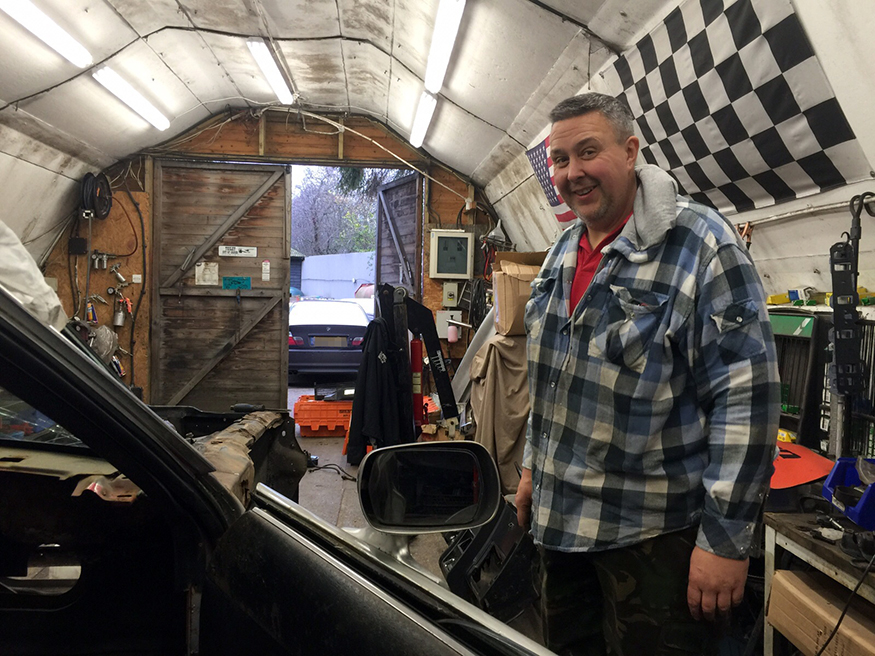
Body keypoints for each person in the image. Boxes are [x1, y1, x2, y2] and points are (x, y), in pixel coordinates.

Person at [514, 93, 780, 656]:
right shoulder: (563, 252)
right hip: (560, 526)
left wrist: (725, 541)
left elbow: (746, 400)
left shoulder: (702, 246)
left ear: (631, 150)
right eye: (560, 159)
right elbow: (551, 381)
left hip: (651, 541)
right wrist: (534, 468)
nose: (572, 172)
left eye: (588, 152)